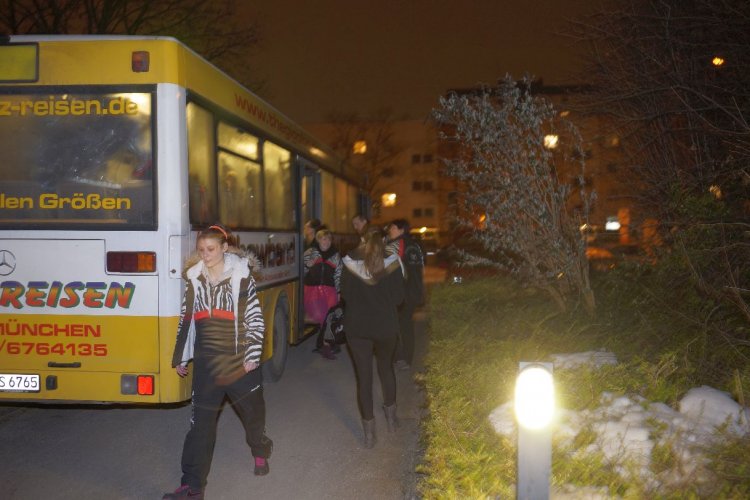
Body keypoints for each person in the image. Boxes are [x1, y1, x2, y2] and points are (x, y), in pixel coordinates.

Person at [163, 224, 273, 500]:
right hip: (207, 365)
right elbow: (187, 318)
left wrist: (252, 356)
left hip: (239, 363)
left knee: (253, 415)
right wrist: (181, 356)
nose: (205, 255)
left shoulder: (241, 277)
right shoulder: (195, 279)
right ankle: (192, 486)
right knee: (200, 426)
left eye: (211, 249)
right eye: (201, 250)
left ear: (224, 248)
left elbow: (255, 319)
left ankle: (260, 449)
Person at [341, 225, 405, 448]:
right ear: (383, 241)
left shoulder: (349, 262)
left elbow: (345, 294)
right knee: (386, 369)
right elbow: (399, 298)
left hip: (357, 328)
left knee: (364, 378)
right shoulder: (393, 262)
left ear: (363, 239)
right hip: (385, 327)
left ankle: (369, 434)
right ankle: (392, 419)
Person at [385, 219, 425, 370]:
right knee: (401, 324)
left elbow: (398, 271)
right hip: (408, 292)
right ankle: (402, 357)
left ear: (401, 230)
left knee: (403, 325)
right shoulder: (412, 244)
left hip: (404, 293)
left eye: (393, 228)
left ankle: (404, 358)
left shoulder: (401, 245)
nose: (390, 230)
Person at [303, 228, 343, 359]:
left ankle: (325, 345)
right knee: (320, 316)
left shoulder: (335, 255)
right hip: (312, 291)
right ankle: (326, 343)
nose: (326, 242)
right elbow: (300, 270)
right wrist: (307, 266)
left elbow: (338, 275)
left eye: (329, 239)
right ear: (318, 240)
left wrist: (338, 292)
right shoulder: (310, 252)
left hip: (330, 291)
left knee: (329, 318)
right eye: (323, 239)